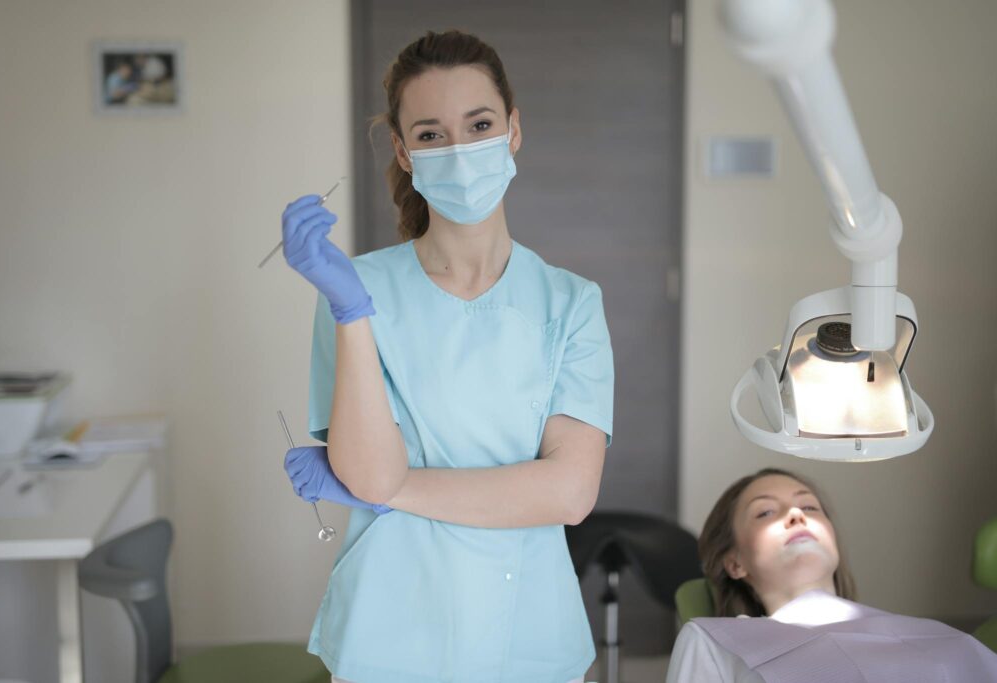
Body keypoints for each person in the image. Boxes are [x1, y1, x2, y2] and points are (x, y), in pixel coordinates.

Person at [280, 30, 615, 683]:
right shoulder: (353, 293)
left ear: (513, 130)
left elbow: (570, 492)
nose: (460, 151)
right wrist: (353, 313)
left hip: (528, 629)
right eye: (432, 135)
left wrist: (393, 490)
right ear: (405, 153)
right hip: (390, 628)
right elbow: (372, 479)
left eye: (480, 124)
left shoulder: (570, 302)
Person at [667, 468, 997, 682]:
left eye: (810, 508)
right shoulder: (715, 642)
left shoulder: (930, 635)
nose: (796, 514)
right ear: (735, 562)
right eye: (766, 512)